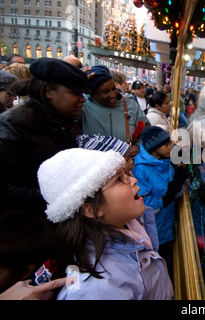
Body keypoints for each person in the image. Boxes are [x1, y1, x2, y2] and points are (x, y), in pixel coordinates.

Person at [37, 148, 174, 300]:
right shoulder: (96, 290)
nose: (133, 180)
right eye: (118, 179)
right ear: (91, 210)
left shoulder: (130, 226)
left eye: (126, 174)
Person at [0, 57, 88, 214]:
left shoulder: (66, 120)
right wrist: (65, 196)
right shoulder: (13, 125)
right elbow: (8, 189)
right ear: (49, 92)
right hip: (29, 225)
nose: (82, 99)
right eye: (75, 93)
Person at [132, 126, 189, 281]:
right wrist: (168, 194)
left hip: (167, 227)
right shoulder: (141, 170)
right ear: (154, 148)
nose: (171, 147)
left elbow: (174, 191)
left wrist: (178, 183)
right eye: (166, 145)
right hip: (154, 234)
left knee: (168, 269)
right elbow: (144, 206)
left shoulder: (165, 163)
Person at [81, 65, 150, 158]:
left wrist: (139, 146)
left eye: (114, 88)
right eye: (105, 92)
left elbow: (147, 131)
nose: (112, 94)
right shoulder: (83, 106)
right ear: (92, 92)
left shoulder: (130, 104)